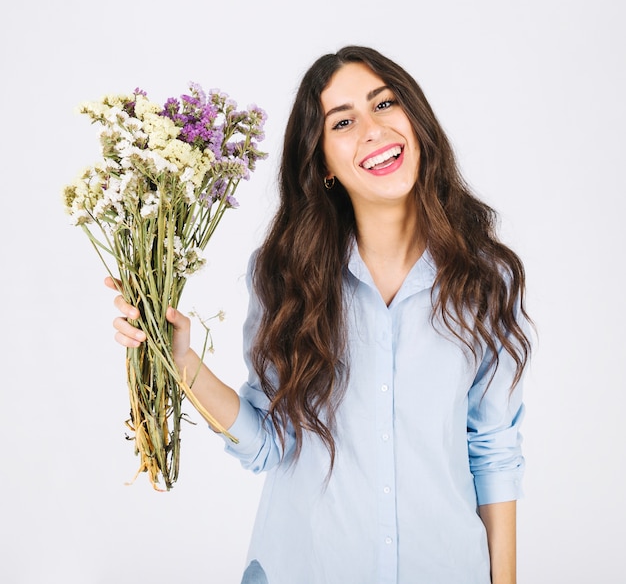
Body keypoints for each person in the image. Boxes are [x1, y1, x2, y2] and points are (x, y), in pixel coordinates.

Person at [108, 45, 532, 584]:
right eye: (344, 122)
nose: (373, 131)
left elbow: (493, 452)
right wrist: (181, 362)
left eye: (384, 105)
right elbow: (267, 443)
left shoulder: (484, 279)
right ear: (324, 164)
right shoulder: (284, 276)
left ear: (417, 121)